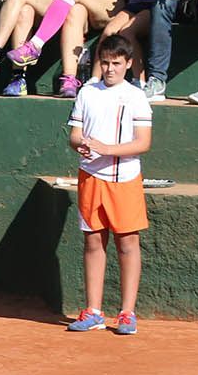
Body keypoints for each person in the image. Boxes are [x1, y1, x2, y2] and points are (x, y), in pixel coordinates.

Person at [65, 31, 153, 334]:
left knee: (127, 243)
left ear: (128, 63)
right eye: (105, 63)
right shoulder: (87, 93)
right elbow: (74, 136)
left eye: (116, 63)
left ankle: (127, 313)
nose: (110, 69)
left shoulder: (136, 97)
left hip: (125, 179)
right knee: (92, 241)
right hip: (90, 177)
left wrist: (107, 149)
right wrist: (83, 146)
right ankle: (94, 311)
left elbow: (143, 143)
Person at [1, 0, 124, 96]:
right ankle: (67, 80)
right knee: (74, 10)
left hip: (107, 1)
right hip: (73, 0)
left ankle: (35, 45)